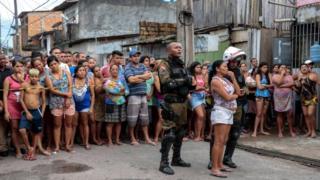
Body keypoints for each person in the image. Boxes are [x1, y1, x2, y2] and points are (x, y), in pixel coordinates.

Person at [157, 42, 194, 175]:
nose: (179, 49)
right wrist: (185, 81)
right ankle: (163, 163)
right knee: (170, 133)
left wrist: (190, 83)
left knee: (180, 132)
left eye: (180, 47)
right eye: (176, 47)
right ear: (169, 50)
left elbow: (187, 81)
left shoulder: (181, 64)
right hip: (171, 103)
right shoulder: (164, 64)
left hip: (183, 102)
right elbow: (166, 82)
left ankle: (176, 158)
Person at [209, 60, 239, 178]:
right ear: (217, 68)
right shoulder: (215, 81)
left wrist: (233, 78)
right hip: (220, 112)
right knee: (218, 140)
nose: (227, 68)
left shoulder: (226, 79)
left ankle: (220, 164)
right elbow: (227, 97)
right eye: (224, 66)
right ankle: (214, 168)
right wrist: (236, 96)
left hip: (229, 112)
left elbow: (237, 90)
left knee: (224, 140)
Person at [124, 50, 155, 146]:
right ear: (130, 58)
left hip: (143, 94)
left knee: (145, 118)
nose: (136, 57)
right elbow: (131, 80)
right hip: (133, 95)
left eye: (137, 56)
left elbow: (149, 76)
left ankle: (146, 138)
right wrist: (142, 77)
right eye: (134, 56)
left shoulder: (142, 66)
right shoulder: (128, 67)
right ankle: (132, 138)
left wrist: (138, 77)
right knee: (132, 118)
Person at [45, 56, 75, 153]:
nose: (53, 66)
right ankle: (57, 146)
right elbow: (52, 90)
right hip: (56, 102)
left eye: (55, 63)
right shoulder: (48, 76)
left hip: (69, 101)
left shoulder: (66, 72)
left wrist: (68, 97)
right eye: (51, 65)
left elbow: (70, 85)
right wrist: (66, 94)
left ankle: (67, 145)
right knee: (57, 125)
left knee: (68, 124)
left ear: (58, 63)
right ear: (49, 67)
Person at [19, 68, 49, 160]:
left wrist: (42, 113)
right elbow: (21, 99)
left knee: (36, 132)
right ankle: (29, 148)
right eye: (32, 76)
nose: (33, 78)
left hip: (37, 111)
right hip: (26, 111)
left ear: (38, 77)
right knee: (22, 130)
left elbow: (44, 102)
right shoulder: (24, 85)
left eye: (36, 76)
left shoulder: (41, 87)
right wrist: (27, 112)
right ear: (29, 76)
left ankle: (33, 152)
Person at [3, 59, 29, 158]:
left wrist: (22, 79)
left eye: (21, 66)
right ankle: (17, 150)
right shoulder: (8, 79)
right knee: (14, 128)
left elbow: (29, 89)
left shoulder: (27, 77)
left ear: (24, 67)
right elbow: (5, 95)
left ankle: (24, 147)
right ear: (13, 67)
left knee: (23, 128)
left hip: (24, 106)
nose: (19, 68)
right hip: (12, 105)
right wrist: (6, 111)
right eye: (17, 66)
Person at [104, 64, 129, 145]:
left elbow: (127, 91)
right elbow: (109, 92)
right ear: (110, 71)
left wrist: (120, 91)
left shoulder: (122, 79)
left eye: (116, 69)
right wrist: (120, 91)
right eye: (113, 69)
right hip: (110, 103)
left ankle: (117, 139)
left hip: (121, 103)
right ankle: (110, 140)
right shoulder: (107, 81)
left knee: (119, 122)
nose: (115, 71)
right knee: (110, 123)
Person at [72, 65, 95, 149]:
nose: (82, 72)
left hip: (85, 105)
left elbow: (93, 95)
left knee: (85, 123)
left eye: (83, 70)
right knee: (74, 124)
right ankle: (71, 143)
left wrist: (91, 107)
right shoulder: (72, 80)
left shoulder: (88, 81)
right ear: (76, 72)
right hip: (74, 105)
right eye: (80, 70)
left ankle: (86, 142)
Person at [272, 65, 295, 137]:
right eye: (281, 67)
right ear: (278, 69)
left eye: (284, 67)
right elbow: (278, 82)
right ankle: (280, 131)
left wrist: (282, 86)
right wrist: (282, 74)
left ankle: (291, 131)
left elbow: (292, 83)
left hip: (288, 97)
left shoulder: (289, 76)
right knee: (279, 114)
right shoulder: (275, 76)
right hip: (278, 98)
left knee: (289, 115)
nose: (283, 69)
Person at [295, 63, 318, 138]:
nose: (304, 68)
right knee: (305, 115)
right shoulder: (299, 77)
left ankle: (313, 131)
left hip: (312, 97)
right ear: (300, 69)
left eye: (305, 67)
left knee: (310, 114)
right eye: (302, 67)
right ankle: (309, 131)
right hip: (303, 98)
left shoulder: (313, 75)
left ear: (308, 68)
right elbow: (298, 87)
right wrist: (297, 83)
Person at [252, 62, 272, 137]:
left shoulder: (268, 74)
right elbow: (259, 87)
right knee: (259, 113)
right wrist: (266, 86)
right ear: (260, 68)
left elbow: (272, 84)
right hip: (259, 94)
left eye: (266, 67)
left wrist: (264, 85)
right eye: (264, 67)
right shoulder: (258, 75)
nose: (265, 69)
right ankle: (255, 131)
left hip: (266, 95)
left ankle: (261, 130)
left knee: (264, 113)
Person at [188, 61, 206, 141]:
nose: (199, 68)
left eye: (200, 67)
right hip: (195, 96)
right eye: (197, 67)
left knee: (200, 117)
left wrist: (205, 89)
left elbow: (204, 85)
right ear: (193, 68)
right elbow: (192, 88)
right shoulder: (191, 76)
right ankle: (197, 136)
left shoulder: (202, 75)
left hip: (202, 96)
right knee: (200, 115)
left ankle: (198, 135)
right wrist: (201, 88)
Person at [0, 54, 12, 157]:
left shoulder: (10, 71)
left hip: (12, 101)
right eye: (0, 59)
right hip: (0, 101)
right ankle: (3, 147)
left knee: (13, 124)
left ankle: (16, 145)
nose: (2, 60)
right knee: (2, 125)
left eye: (4, 58)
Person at [153, 59, 165, 144]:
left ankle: (163, 136)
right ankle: (156, 137)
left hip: (167, 98)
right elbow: (159, 89)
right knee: (161, 118)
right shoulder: (156, 75)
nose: (160, 64)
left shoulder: (167, 74)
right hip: (160, 98)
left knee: (166, 118)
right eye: (157, 63)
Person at [93, 66, 104, 145]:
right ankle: (95, 138)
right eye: (96, 71)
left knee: (100, 121)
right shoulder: (94, 80)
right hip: (96, 103)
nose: (98, 72)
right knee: (96, 122)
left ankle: (98, 137)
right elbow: (97, 91)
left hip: (102, 102)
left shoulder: (101, 79)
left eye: (99, 70)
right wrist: (103, 84)